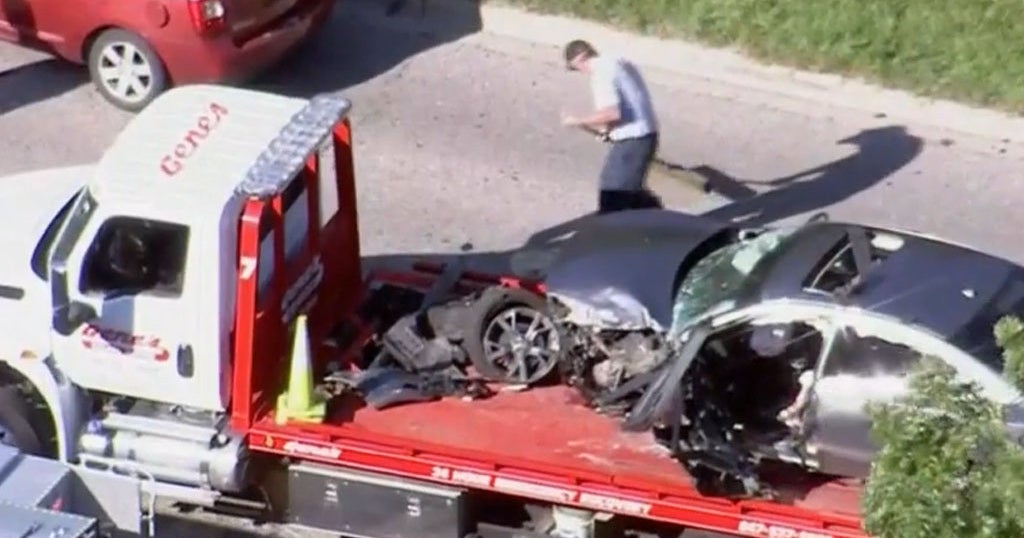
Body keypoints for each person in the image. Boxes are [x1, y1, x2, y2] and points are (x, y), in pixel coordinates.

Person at [560, 39, 662, 213]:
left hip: (634, 140)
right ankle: (660, 221)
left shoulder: (600, 74)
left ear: (581, 58)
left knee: (613, 194)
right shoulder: (616, 61)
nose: (581, 72)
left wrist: (577, 121)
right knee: (629, 189)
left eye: (576, 67)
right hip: (645, 133)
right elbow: (629, 102)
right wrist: (607, 130)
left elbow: (612, 113)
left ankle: (654, 229)